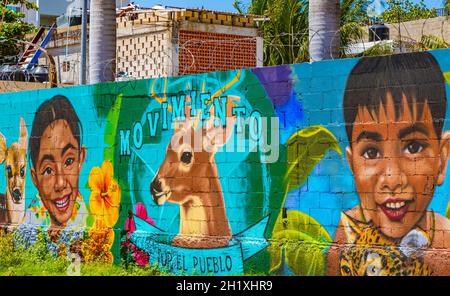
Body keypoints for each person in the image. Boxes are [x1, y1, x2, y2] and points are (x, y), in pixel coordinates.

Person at [327, 52, 450, 275]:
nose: (392, 179)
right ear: (352, 165)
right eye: (371, 151)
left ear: (441, 160)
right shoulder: (349, 230)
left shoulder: (445, 242)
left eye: (413, 147)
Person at [16, 95, 88, 254]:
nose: (60, 183)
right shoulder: (30, 224)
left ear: (80, 158)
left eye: (68, 161)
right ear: (35, 178)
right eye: (48, 170)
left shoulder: (87, 219)